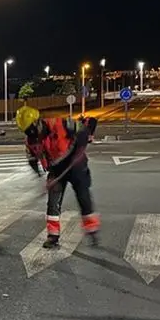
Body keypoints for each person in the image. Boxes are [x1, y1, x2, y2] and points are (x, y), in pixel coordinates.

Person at [16, 105, 99, 248]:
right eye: (28, 132)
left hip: (75, 164)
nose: (32, 134)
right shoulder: (30, 140)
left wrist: (86, 135)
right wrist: (39, 175)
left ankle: (92, 230)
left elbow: (85, 127)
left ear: (38, 122)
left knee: (83, 196)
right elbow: (31, 159)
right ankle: (53, 236)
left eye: (32, 130)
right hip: (55, 169)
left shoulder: (59, 123)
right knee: (53, 203)